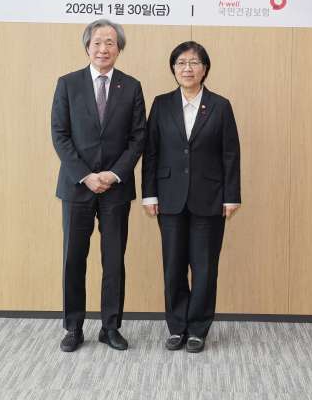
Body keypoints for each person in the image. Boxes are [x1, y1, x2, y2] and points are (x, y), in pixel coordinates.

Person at [51, 19, 146, 352]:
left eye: (110, 43)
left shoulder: (131, 87)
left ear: (119, 49)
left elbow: (138, 137)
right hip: (77, 187)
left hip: (116, 189)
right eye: (97, 42)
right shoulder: (68, 84)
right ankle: (73, 327)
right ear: (87, 47)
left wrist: (113, 174)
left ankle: (110, 327)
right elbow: (60, 134)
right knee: (73, 259)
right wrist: (86, 175)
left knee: (114, 260)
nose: (103, 49)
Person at [141, 41, 240, 353]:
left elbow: (230, 153)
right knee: (173, 266)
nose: (187, 68)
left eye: (194, 63)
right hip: (169, 197)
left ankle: (197, 329)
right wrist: (148, 194)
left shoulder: (220, 106)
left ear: (205, 69)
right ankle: (177, 327)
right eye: (181, 63)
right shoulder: (161, 104)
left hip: (210, 198)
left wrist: (231, 196)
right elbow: (151, 152)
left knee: (204, 267)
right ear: (173, 68)